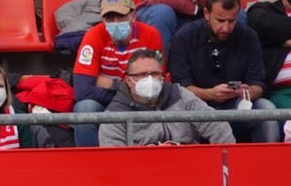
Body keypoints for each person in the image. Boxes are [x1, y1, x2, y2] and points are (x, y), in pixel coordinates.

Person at [170, 0, 278, 144]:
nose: (226, 27)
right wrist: (210, 94)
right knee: (180, 120)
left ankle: (268, 166)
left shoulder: (249, 37)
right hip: (197, 111)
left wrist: (245, 92)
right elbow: (180, 88)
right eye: (220, 20)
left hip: (238, 106)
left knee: (267, 109)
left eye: (232, 20)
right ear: (206, 13)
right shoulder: (184, 37)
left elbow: (259, 85)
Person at [98, 49, 235, 147]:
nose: (150, 79)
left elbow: (217, 125)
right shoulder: (115, 113)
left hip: (188, 166)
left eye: (155, 73)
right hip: (143, 174)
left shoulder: (179, 94)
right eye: (142, 74)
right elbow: (114, 159)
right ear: (128, 80)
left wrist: (224, 164)